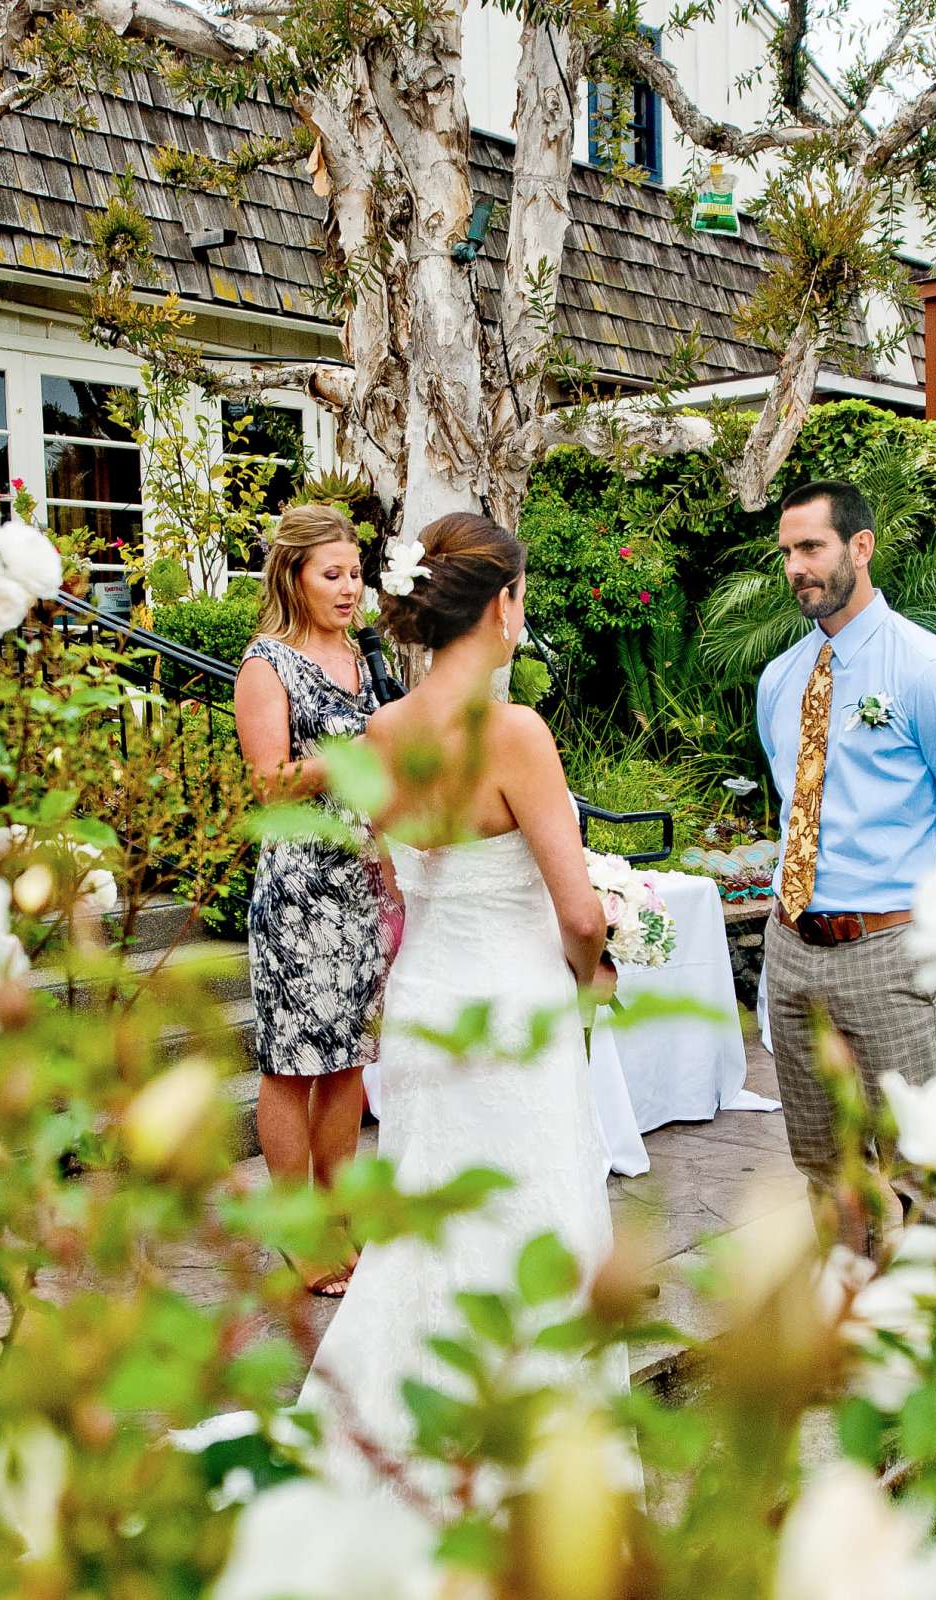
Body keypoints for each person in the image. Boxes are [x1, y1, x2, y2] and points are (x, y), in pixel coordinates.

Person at [298, 512, 620, 1494]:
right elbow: (579, 910)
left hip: (430, 1001)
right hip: (511, 1008)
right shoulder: (514, 732)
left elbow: (381, 867)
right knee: (531, 1219)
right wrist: (598, 961)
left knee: (428, 1222)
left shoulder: (382, 729)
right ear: (500, 606)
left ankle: (395, 1443)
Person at [755, 478, 936, 1254]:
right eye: (788, 552)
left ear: (860, 548)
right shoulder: (779, 680)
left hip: (891, 949)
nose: (797, 567)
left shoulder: (926, 671)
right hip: (792, 949)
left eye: (812, 547)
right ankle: (847, 1336)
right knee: (824, 1167)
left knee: (920, 1167)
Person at [234, 503, 386, 1295]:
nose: (350, 588)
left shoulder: (365, 657)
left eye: (356, 574)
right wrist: (358, 750)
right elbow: (267, 786)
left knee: (350, 1058)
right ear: (294, 575)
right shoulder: (269, 664)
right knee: (294, 1063)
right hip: (298, 890)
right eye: (334, 574)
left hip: (363, 882)